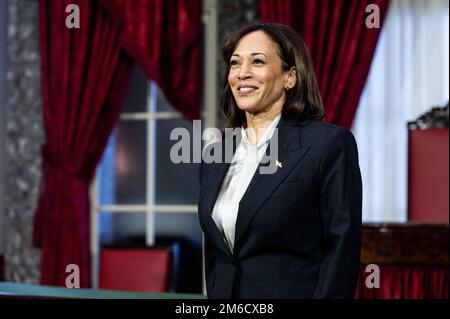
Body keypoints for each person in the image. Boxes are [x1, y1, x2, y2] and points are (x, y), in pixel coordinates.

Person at [197, 23, 362, 299]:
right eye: (235, 63)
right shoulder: (215, 154)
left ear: (290, 77)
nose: (242, 73)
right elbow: (217, 255)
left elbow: (342, 252)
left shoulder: (328, 145)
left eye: (257, 61)